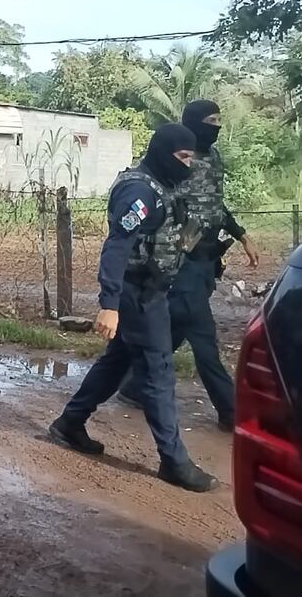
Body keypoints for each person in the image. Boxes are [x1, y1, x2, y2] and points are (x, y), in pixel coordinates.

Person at [49, 123, 218, 493]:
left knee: (118, 361)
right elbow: (116, 247)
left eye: (191, 157)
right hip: (137, 294)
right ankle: (174, 462)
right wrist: (109, 304)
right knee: (158, 373)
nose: (188, 164)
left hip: (152, 291)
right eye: (183, 157)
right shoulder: (140, 191)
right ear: (164, 152)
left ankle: (70, 422)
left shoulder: (164, 186)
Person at [116, 100, 259, 431]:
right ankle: (230, 411)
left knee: (178, 325)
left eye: (220, 119)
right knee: (203, 333)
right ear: (195, 122)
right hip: (180, 259)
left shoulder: (213, 159)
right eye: (211, 120)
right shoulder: (175, 158)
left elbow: (214, 205)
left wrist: (241, 235)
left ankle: (134, 387)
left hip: (206, 258)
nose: (217, 126)